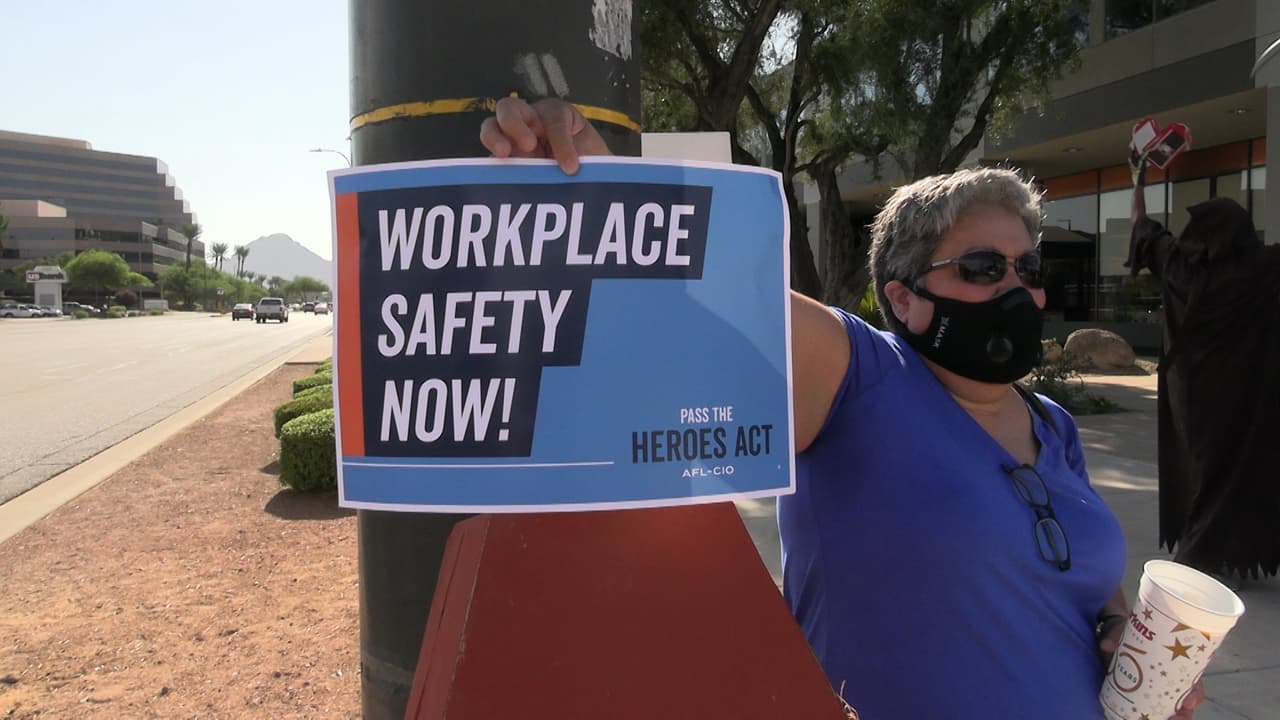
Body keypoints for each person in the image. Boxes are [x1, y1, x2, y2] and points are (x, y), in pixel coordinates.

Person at [480, 97, 1203, 719]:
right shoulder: (860, 376)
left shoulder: (1051, 422)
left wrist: (1119, 631)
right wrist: (590, 175)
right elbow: (701, 293)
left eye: (1028, 270)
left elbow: (1085, 574)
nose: (1016, 291)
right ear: (903, 296)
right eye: (983, 269)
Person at [1127, 162, 1280, 583]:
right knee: (1236, 467)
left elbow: (1141, 225)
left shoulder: (1177, 264)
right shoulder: (1264, 270)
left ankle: (1209, 551)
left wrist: (1138, 179)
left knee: (1197, 467)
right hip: (1242, 393)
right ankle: (1208, 554)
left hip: (1187, 393)